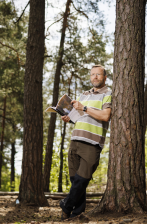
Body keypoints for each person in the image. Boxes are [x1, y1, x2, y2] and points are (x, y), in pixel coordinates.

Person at [59, 65, 112, 219]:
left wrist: (85, 107)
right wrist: (69, 119)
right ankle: (75, 214)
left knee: (82, 180)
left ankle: (66, 205)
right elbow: (80, 117)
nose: (95, 77)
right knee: (75, 181)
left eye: (98, 74)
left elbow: (105, 116)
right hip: (75, 140)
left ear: (104, 77)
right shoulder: (84, 95)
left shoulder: (108, 94)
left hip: (92, 143)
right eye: (92, 74)